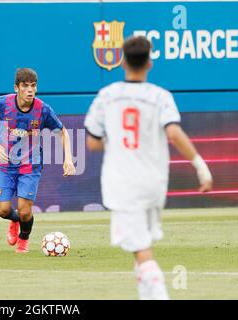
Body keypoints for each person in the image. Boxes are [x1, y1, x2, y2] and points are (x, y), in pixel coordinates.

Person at [84, 36, 213, 300]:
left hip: (123, 184)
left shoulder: (107, 96)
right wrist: (200, 165)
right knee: (142, 246)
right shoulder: (160, 96)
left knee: (142, 251)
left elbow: (92, 142)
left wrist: (115, 141)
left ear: (121, 61)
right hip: (154, 183)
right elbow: (174, 133)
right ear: (150, 63)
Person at [0, 68, 76, 253]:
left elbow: (62, 132)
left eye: (33, 86)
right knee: (3, 210)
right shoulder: (2, 103)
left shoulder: (42, 109)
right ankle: (14, 221)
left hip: (30, 166)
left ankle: (24, 238)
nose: (30, 90)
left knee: (25, 210)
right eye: (25, 86)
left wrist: (68, 159)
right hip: (5, 165)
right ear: (16, 88)